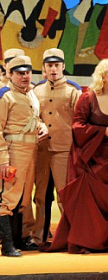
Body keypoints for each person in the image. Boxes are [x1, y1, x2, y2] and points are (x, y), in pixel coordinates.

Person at [48, 58, 108, 254]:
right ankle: (87, 242)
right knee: (89, 203)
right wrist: (103, 131)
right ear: (102, 76)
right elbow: (77, 126)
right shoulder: (88, 98)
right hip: (91, 159)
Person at [29, 49, 81, 249]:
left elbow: (80, 120)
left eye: (56, 65)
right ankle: (39, 237)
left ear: (63, 66)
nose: (53, 69)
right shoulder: (36, 91)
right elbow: (32, 116)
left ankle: (70, 237)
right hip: (41, 149)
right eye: (49, 65)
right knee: (41, 195)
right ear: (44, 68)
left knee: (64, 194)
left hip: (64, 148)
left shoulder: (73, 90)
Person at [0, 56, 47, 257]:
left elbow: (34, 119)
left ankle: (18, 240)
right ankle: (7, 245)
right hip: (13, 151)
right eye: (20, 73)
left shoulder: (30, 94)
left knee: (23, 198)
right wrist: (3, 160)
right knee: (8, 198)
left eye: (27, 72)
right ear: (10, 74)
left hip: (31, 150)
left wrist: (42, 126)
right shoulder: (5, 96)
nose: (25, 76)